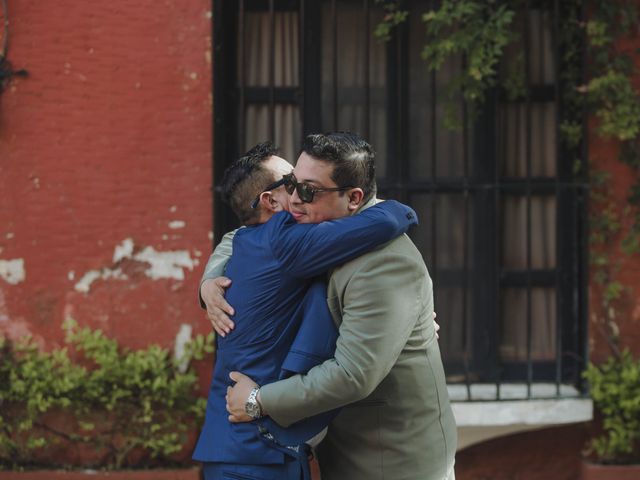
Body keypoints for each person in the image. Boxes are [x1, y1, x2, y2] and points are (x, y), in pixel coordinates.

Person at [206, 132, 457, 480]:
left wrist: (259, 401)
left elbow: (352, 374)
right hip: (341, 447)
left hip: (389, 459)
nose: (292, 199)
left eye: (307, 190)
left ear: (354, 198)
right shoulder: (318, 229)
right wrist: (209, 283)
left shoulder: (383, 262)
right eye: (291, 184)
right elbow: (241, 237)